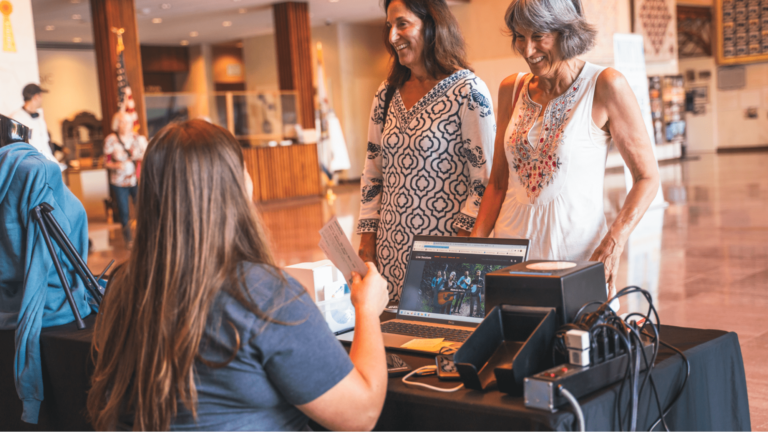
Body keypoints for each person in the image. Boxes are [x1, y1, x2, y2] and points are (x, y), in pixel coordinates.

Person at [86, 120, 389, 432]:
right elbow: (360, 414)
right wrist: (367, 310)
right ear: (236, 188)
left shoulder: (123, 286)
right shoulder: (264, 294)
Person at [470, 0, 660, 296]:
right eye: (520, 37)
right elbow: (497, 182)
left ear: (565, 31)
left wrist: (614, 242)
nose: (527, 50)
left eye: (538, 36)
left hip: (576, 260)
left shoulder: (605, 85)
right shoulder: (512, 88)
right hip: (511, 261)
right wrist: (474, 249)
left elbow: (647, 177)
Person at [357, 0, 496, 302]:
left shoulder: (468, 92)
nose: (393, 36)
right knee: (392, 341)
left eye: (402, 24)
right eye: (389, 26)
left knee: (438, 344)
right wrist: (367, 240)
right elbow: (372, 172)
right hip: (389, 252)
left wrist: (458, 252)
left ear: (432, 25)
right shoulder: (386, 93)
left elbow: (483, 182)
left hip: (443, 257)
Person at [103, 111, 148, 243]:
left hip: (135, 179)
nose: (125, 124)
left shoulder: (136, 138)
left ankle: (143, 236)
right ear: (117, 124)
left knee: (141, 208)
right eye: (122, 121)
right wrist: (116, 165)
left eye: (128, 121)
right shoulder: (111, 140)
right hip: (119, 182)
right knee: (124, 211)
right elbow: (107, 162)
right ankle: (128, 238)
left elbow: (142, 155)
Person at [9, 84, 66, 171]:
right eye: (41, 96)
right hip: (31, 167)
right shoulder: (16, 118)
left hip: (47, 164)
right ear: (36, 97)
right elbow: (17, 147)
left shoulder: (39, 117)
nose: (42, 99)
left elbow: (45, 143)